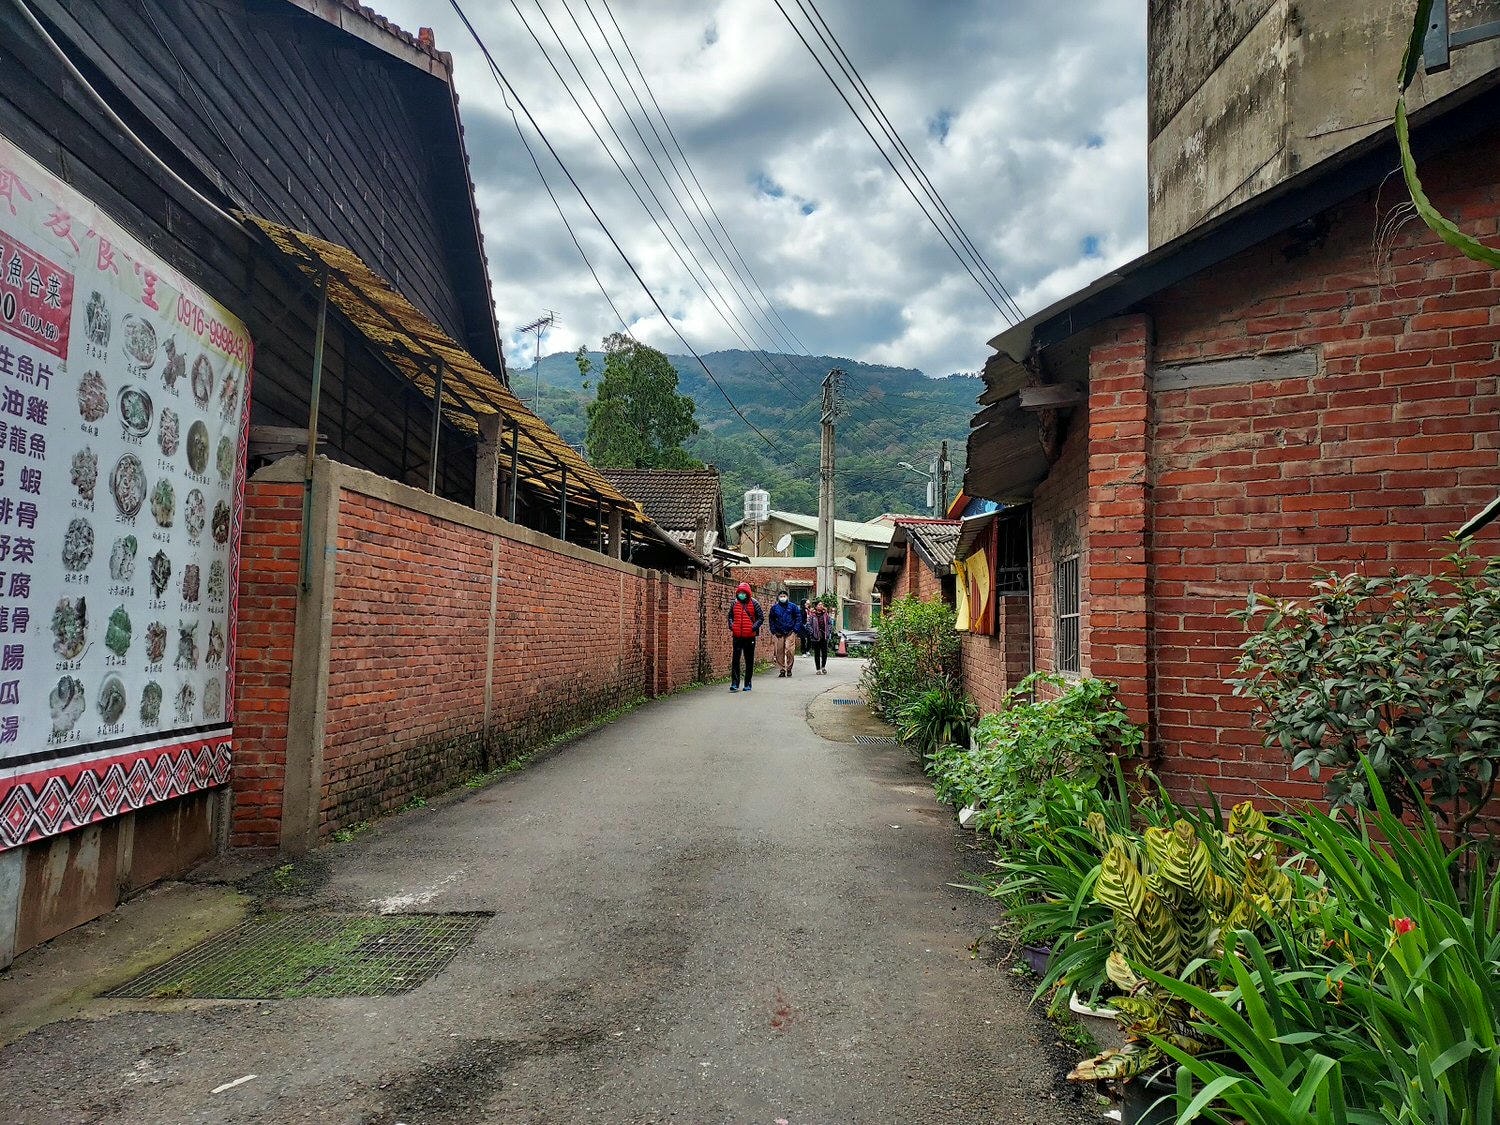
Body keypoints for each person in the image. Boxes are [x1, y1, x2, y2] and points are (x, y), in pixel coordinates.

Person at [726, 581, 763, 693]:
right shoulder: (734, 603)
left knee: (749, 660)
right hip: (737, 636)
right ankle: (734, 683)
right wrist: (732, 626)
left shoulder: (754, 603)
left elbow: (760, 618)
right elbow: (730, 616)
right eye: (739, 592)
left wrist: (753, 628)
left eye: (743, 593)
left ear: (747, 593)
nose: (741, 594)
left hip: (750, 636)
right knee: (735, 660)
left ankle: (747, 683)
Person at [767, 589, 803, 677]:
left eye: (784, 596)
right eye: (781, 596)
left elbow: (798, 618)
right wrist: (774, 630)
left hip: (790, 631)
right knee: (779, 651)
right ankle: (782, 669)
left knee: (790, 650)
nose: (782, 598)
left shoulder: (793, 607)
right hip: (779, 633)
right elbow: (771, 620)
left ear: (787, 597)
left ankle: (789, 668)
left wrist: (795, 630)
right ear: (778, 597)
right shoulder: (774, 608)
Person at [805, 600, 833, 675]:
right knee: (817, 653)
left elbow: (830, 623)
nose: (821, 606)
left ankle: (823, 667)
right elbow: (808, 625)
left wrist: (828, 631)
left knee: (824, 653)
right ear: (816, 606)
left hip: (824, 636)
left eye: (822, 605)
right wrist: (812, 632)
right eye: (819, 605)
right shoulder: (812, 615)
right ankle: (818, 669)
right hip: (815, 637)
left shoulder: (825, 614)